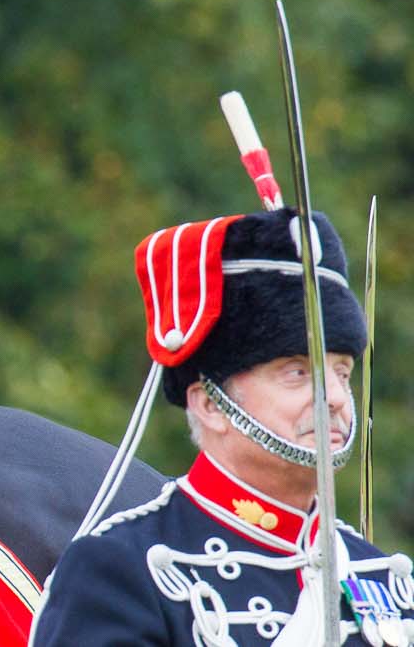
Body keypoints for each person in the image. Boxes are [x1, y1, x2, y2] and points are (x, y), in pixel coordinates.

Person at [31, 208, 413, 645]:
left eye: (342, 373)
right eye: (298, 372)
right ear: (212, 405)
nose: (335, 398)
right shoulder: (122, 569)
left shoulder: (386, 581)